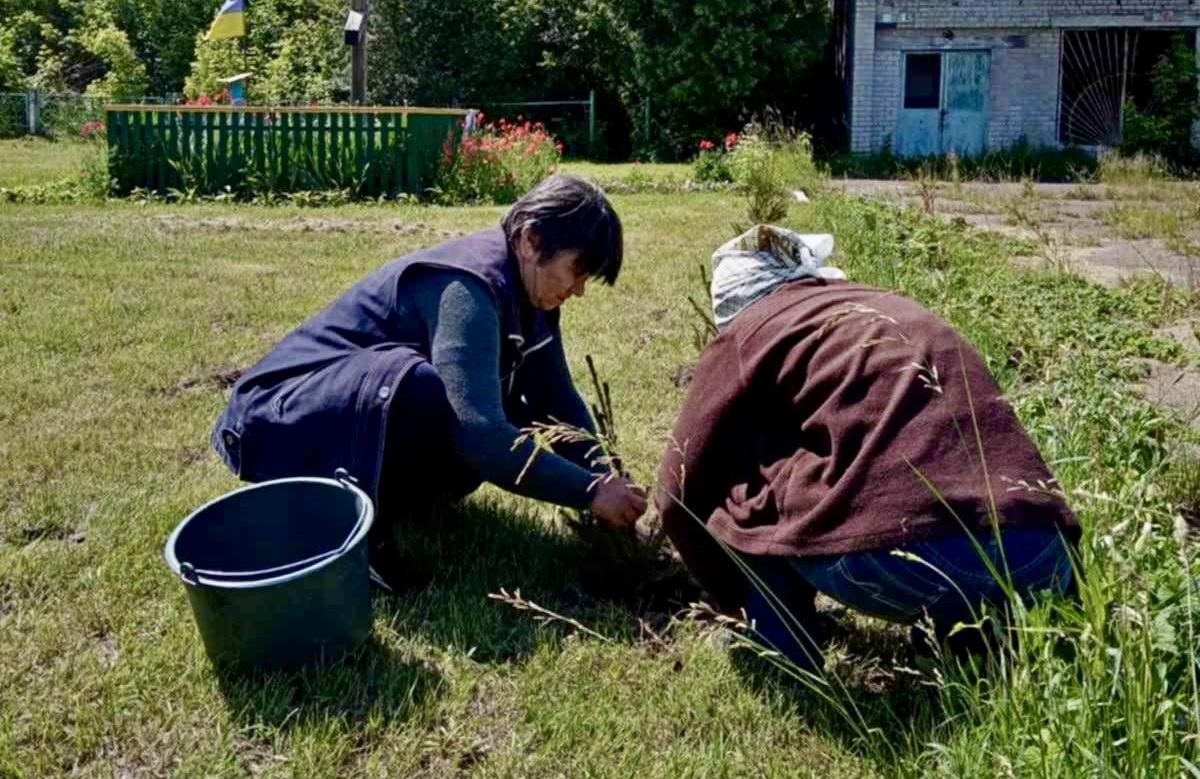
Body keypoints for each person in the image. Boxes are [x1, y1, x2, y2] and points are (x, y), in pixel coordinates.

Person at [656, 225, 1079, 670]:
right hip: (1044, 554)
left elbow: (677, 488)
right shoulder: (884, 304)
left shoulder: (749, 330)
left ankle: (779, 646)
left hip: (910, 562)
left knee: (745, 492)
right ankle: (975, 650)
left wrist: (729, 599)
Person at [212, 173, 648, 588]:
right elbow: (481, 434)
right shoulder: (467, 289)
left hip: (331, 411)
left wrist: (604, 480)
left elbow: (557, 401)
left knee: (492, 395)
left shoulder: (532, 293)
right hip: (269, 422)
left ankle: (399, 501)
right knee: (431, 392)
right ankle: (348, 530)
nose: (578, 290)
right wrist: (589, 492)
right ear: (531, 239)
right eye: (577, 270)